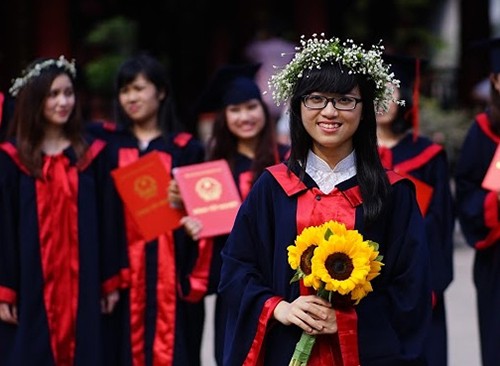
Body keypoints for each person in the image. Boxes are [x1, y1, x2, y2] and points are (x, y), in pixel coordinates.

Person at [217, 34, 432, 366]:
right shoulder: (273, 188)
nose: (329, 111)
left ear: (365, 110)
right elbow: (236, 268)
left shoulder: (393, 193)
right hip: (285, 348)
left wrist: (347, 323)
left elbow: (411, 290)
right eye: (315, 99)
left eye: (345, 100)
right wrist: (279, 307)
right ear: (298, 106)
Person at [0, 56, 125, 365]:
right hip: (32, 282)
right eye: (53, 94)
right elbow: (3, 228)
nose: (63, 102)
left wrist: (110, 279)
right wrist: (5, 289)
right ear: (35, 100)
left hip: (85, 279)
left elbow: (109, 222)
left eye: (68, 93)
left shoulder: (92, 155)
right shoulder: (13, 159)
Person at [88, 52, 208, 366]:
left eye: (139, 88)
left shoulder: (186, 148)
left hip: (173, 273)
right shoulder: (107, 149)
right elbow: (99, 215)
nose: (131, 97)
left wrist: (187, 204)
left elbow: (207, 215)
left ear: (161, 92)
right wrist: (107, 276)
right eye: (125, 90)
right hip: (123, 275)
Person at [177, 63, 290, 365]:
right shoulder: (212, 169)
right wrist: (193, 228)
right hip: (236, 286)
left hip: (282, 280)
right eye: (235, 110)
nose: (245, 117)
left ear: (263, 111)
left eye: (251, 107)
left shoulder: (290, 159)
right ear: (224, 118)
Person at [376, 54, 455, 366]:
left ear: (404, 96)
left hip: (419, 274)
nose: (382, 100)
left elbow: (441, 222)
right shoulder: (353, 156)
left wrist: (430, 281)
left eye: (390, 90)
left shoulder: (428, 155)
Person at [454, 37, 500, 366]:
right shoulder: (483, 131)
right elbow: (466, 194)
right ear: (496, 80)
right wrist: (494, 199)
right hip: (497, 258)